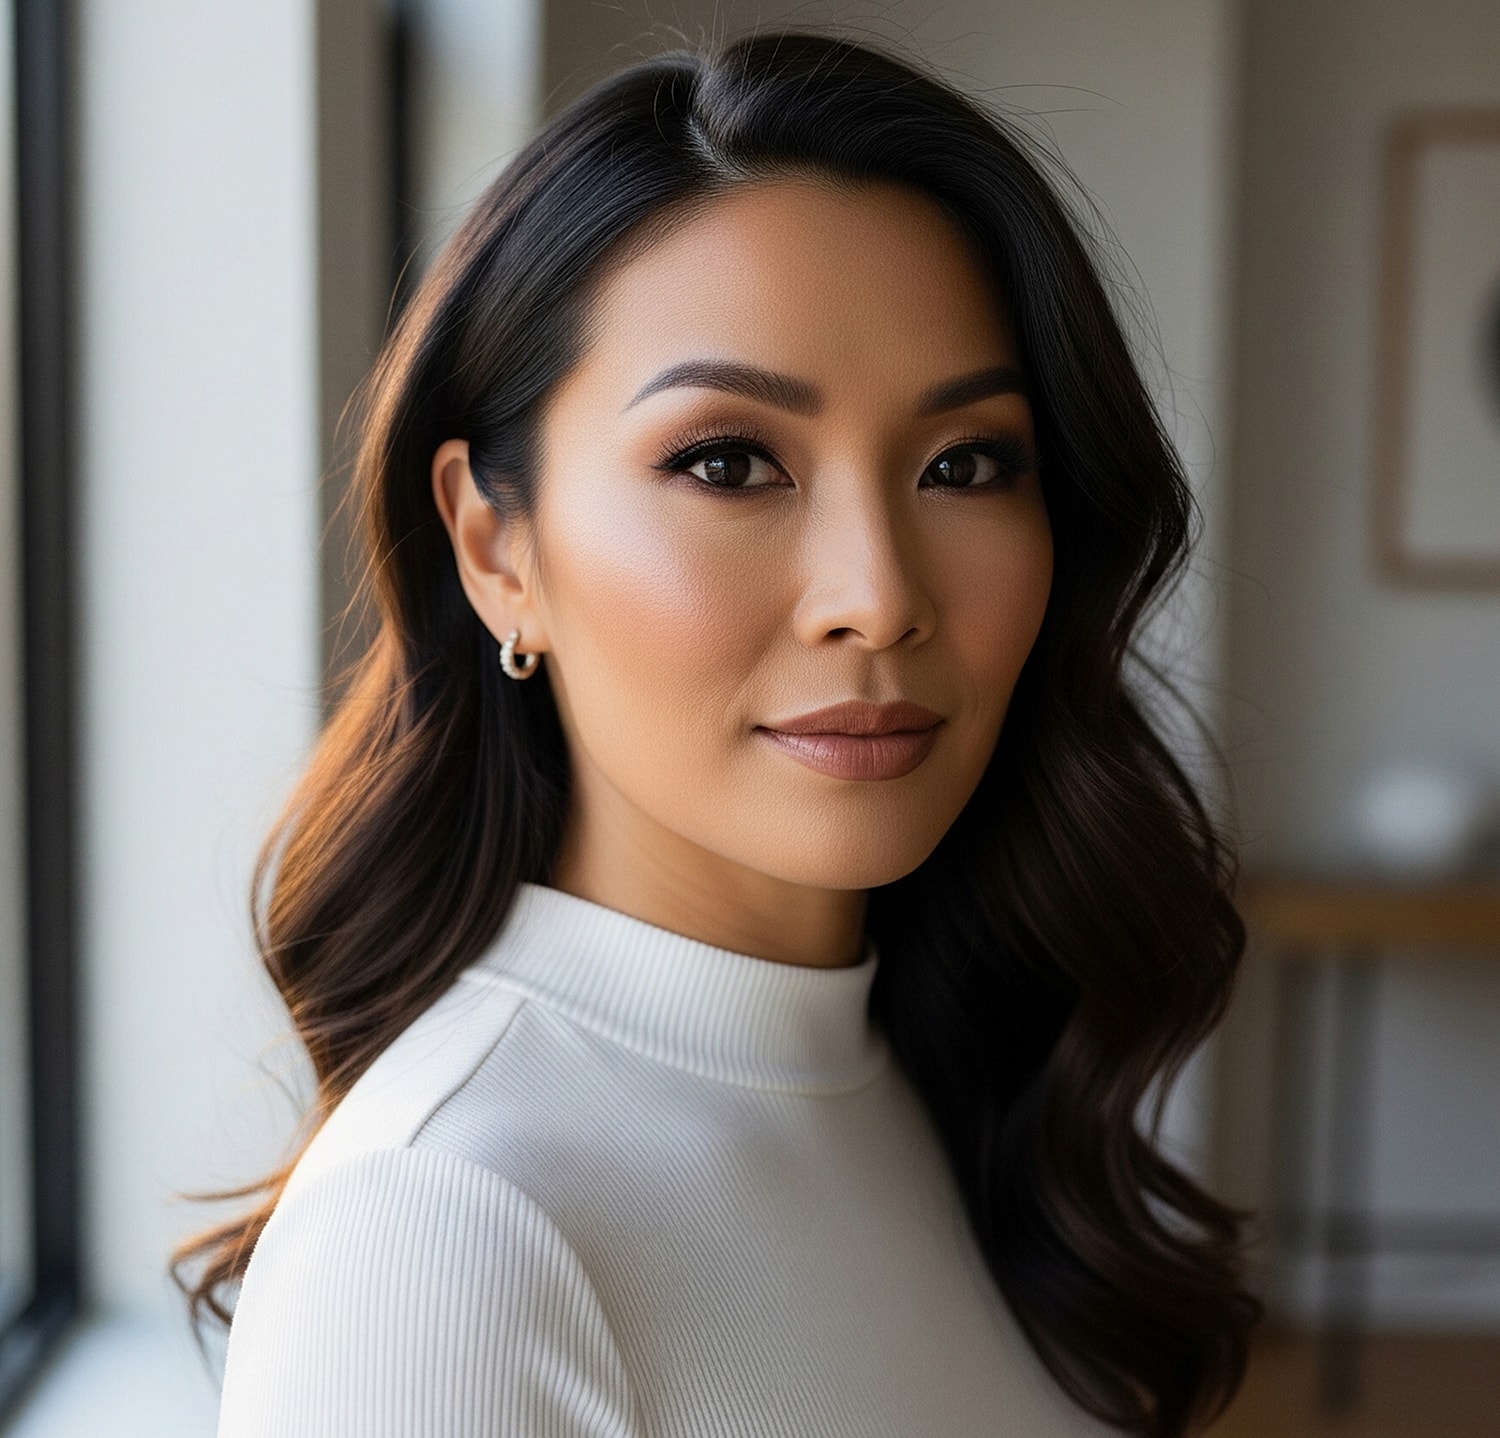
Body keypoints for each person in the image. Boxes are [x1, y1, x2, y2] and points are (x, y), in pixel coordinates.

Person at [178, 28, 1261, 1438]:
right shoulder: (443, 1232)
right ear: (495, 545)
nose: (876, 596)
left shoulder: (961, 1075)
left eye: (966, 463)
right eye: (728, 461)